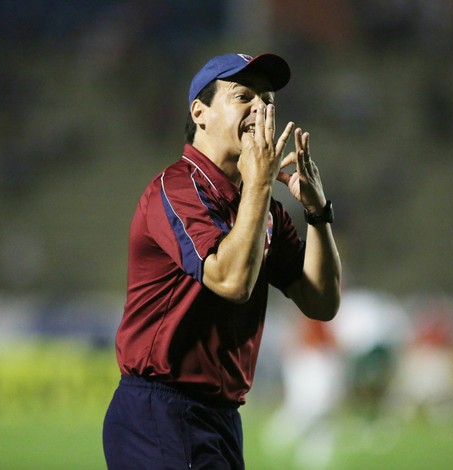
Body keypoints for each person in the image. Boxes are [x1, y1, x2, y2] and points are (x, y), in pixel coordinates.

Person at [102, 52, 342, 470]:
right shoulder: (176, 187)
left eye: (268, 99)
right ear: (200, 112)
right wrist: (261, 184)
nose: (261, 108)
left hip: (220, 417)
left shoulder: (262, 206)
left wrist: (317, 215)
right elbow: (231, 281)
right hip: (161, 410)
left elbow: (321, 303)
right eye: (243, 95)